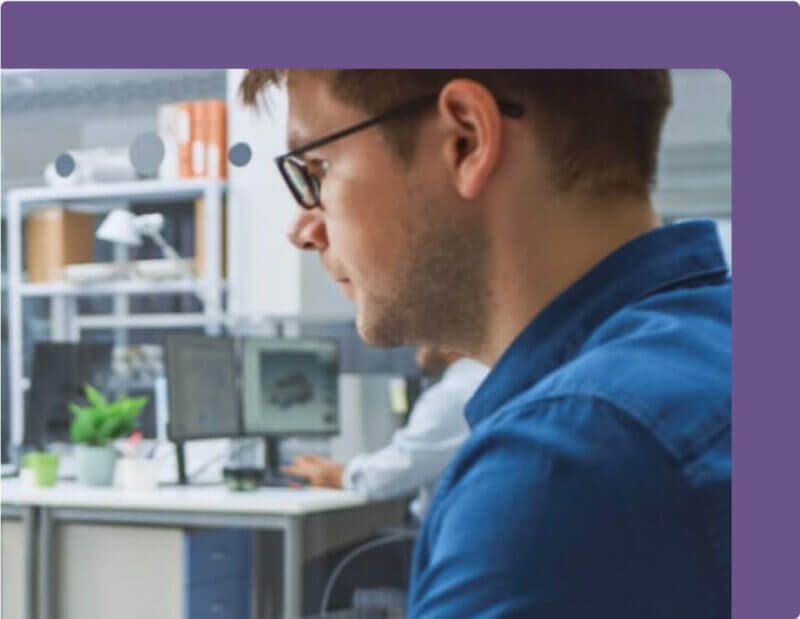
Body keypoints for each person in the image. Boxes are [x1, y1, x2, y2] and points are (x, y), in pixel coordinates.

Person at [241, 70, 731, 618]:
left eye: (317, 169)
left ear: (466, 141)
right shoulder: (719, 342)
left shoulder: (562, 471)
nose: (302, 230)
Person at [282, 345, 489, 521]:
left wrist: (335, 475)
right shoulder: (481, 378)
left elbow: (400, 468)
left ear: (448, 341)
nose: (415, 345)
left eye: (425, 336)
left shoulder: (451, 394)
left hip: (447, 535)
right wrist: (340, 470)